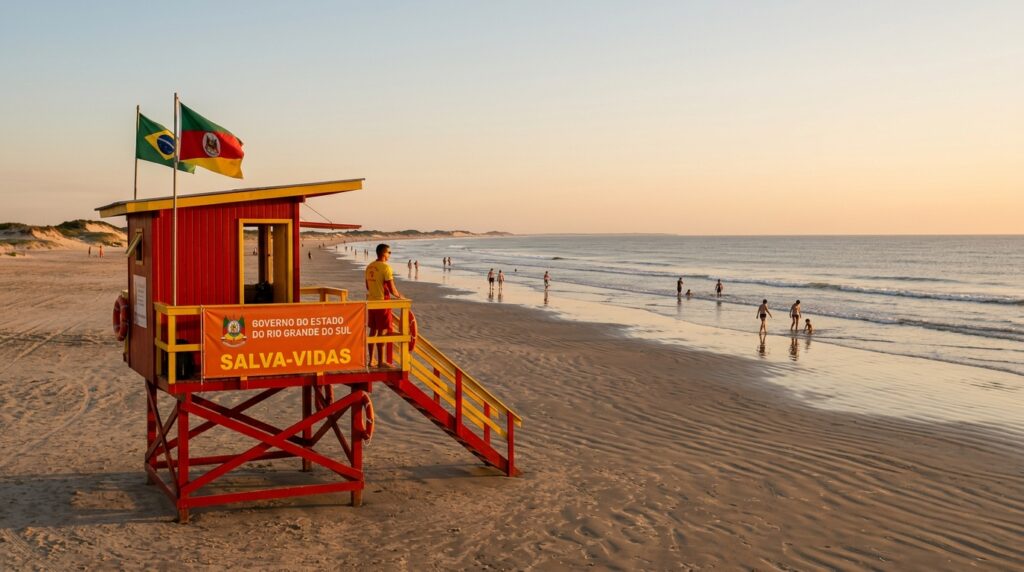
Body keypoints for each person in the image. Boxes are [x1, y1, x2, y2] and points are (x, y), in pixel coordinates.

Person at [365, 243, 402, 367]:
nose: (390, 254)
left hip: (371, 302)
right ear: (383, 253)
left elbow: (367, 286)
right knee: (383, 331)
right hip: (382, 302)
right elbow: (392, 288)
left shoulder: (369, 267)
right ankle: (381, 361)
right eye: (389, 252)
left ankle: (371, 360)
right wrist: (400, 296)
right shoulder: (386, 268)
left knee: (373, 331)